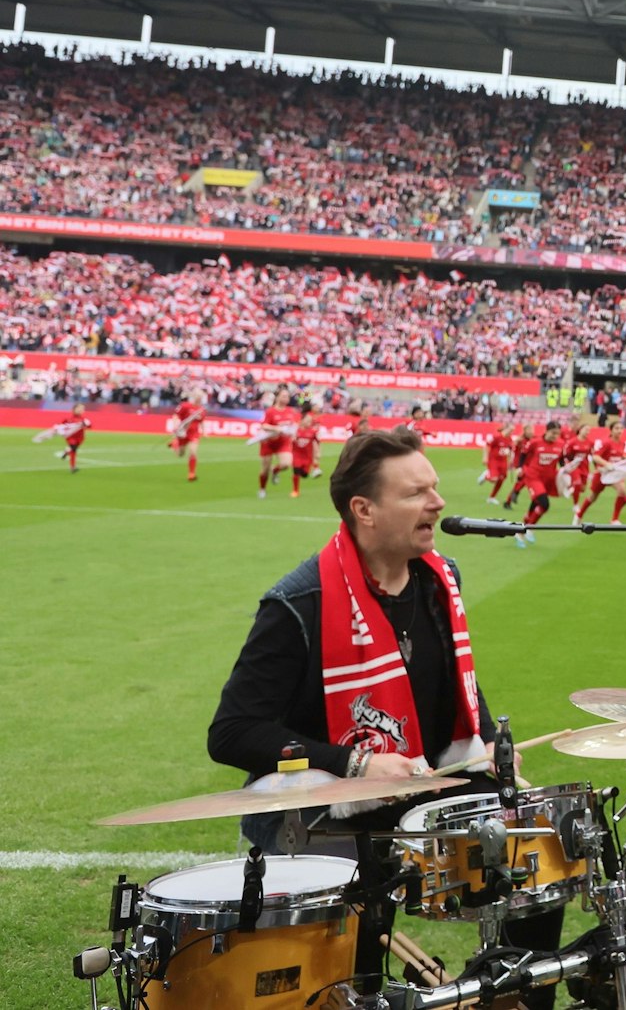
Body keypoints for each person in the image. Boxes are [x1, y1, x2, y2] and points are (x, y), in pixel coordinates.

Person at [205, 428, 561, 1004]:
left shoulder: (440, 578)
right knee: (357, 947)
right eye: (416, 493)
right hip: (322, 811)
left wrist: (488, 743)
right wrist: (355, 762)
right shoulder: (298, 605)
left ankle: (513, 997)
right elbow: (232, 732)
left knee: (536, 850)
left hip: (420, 787)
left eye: (434, 488)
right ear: (364, 510)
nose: (438, 503)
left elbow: (458, 683)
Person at [514, 421, 565, 548]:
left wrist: (565, 472)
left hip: (548, 479)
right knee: (544, 504)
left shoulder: (561, 444)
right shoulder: (535, 442)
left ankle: (519, 532)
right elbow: (523, 453)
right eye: (553, 433)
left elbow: (561, 460)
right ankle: (530, 528)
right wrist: (520, 467)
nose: (555, 436)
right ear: (546, 431)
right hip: (533, 477)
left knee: (534, 505)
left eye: (557, 434)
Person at [254, 391, 299, 499]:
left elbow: (294, 425)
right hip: (268, 442)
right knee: (265, 470)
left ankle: (275, 470)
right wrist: (276, 428)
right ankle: (262, 489)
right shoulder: (270, 411)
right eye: (283, 396)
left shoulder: (291, 411)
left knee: (286, 464)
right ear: (277, 397)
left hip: (283, 441)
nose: (286, 398)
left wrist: (294, 433)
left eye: (287, 396)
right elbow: (264, 426)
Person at [168, 389, 205, 482]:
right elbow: (175, 415)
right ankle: (175, 444)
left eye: (200, 396)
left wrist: (204, 432)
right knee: (180, 454)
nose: (199, 398)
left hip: (194, 433)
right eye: (198, 396)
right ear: (194, 396)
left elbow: (202, 421)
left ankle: (191, 473)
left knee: (193, 451)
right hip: (183, 433)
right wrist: (175, 426)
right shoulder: (185, 406)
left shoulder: (201, 410)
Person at [288, 408, 322, 498]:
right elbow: (289, 441)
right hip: (296, 455)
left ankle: (313, 469)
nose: (309, 423)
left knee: (304, 474)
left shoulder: (313, 432)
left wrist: (318, 453)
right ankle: (295, 491)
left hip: (307, 457)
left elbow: (318, 442)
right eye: (307, 421)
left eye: (310, 421)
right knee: (296, 471)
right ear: (302, 421)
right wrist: (292, 439)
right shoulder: (295, 430)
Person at [482, 421, 517, 504]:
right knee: (494, 479)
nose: (511, 432)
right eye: (510, 430)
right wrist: (485, 457)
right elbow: (486, 445)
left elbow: (510, 450)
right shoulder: (497, 437)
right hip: (494, 460)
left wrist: (511, 461)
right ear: (505, 429)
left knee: (501, 479)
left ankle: (492, 497)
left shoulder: (510, 439)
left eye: (512, 431)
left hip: (503, 462)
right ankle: (486, 475)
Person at [55, 402, 89, 473]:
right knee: (73, 449)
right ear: (74, 409)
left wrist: (87, 424)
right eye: (79, 408)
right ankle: (72, 467)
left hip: (80, 438)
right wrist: (60, 430)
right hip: (71, 437)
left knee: (73, 449)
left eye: (82, 409)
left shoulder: (83, 419)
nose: (81, 410)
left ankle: (66, 452)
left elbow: (89, 426)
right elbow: (61, 426)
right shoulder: (68, 419)